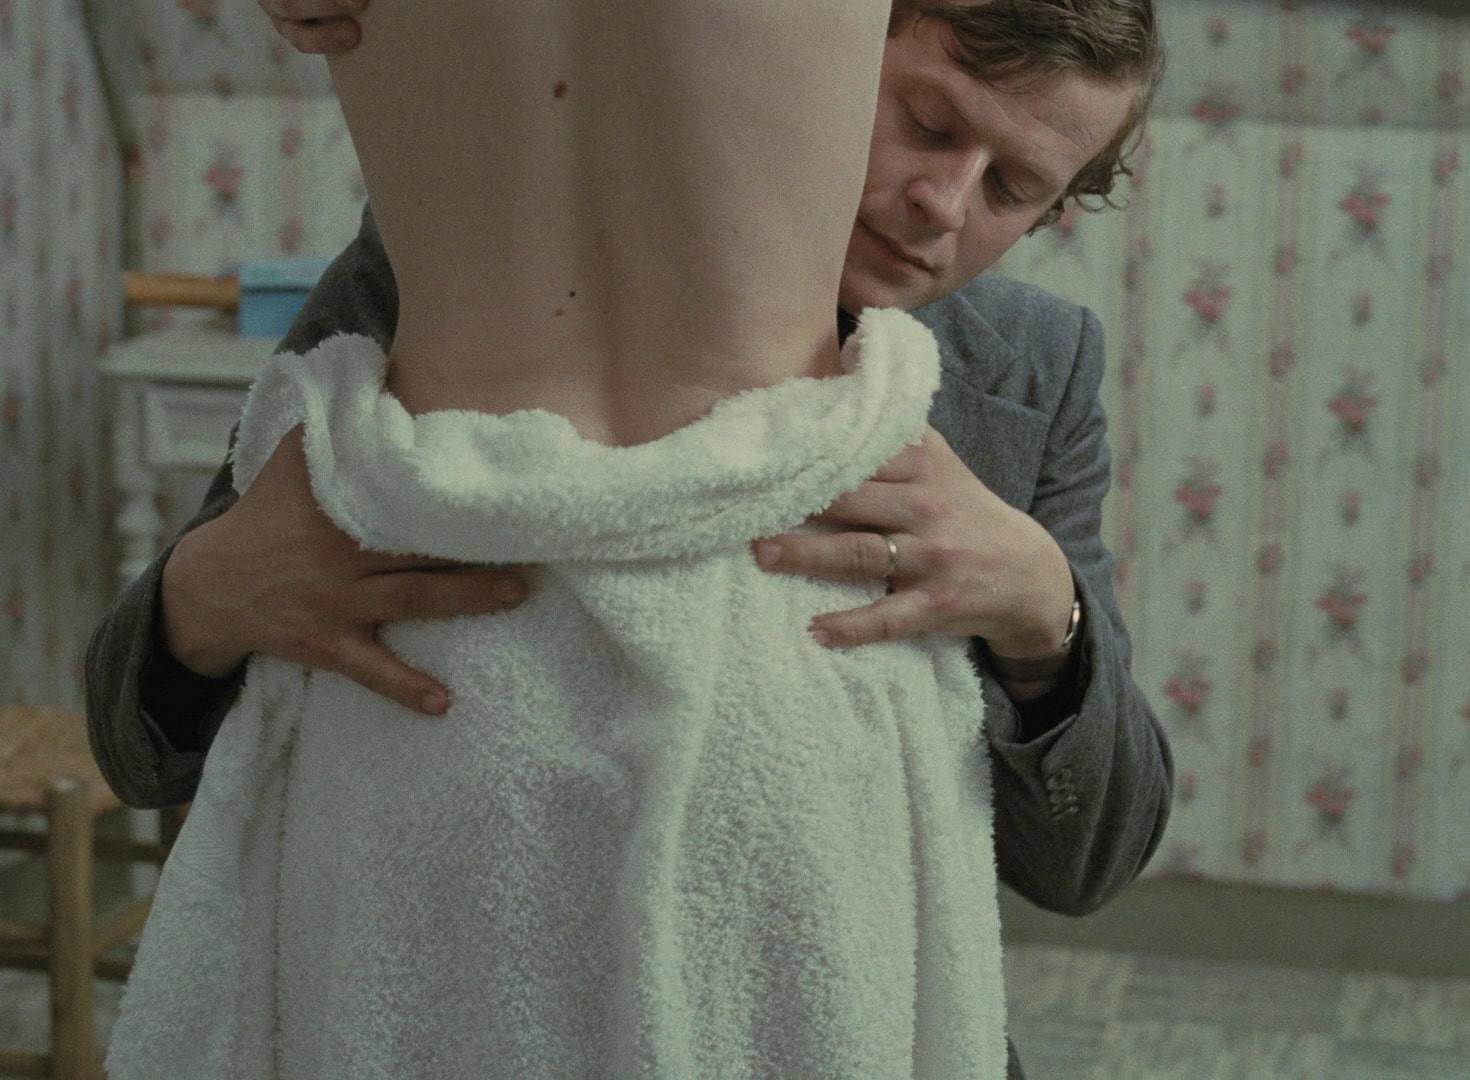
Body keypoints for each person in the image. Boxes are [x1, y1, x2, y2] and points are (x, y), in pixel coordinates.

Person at [86, 2, 1172, 1077]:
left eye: (1011, 188)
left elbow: (1089, 864)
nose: (944, 202)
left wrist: (1048, 615)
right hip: (474, 988)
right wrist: (204, 596)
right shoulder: (474, 255)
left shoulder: (1034, 370)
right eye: (928, 124)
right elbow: (135, 750)